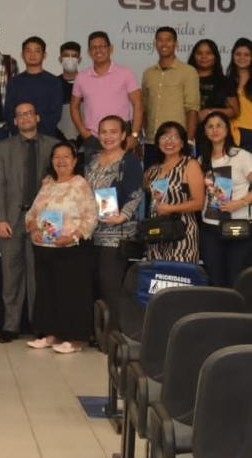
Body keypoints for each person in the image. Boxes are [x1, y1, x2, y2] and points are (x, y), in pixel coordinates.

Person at [0, 103, 58, 343]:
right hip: (11, 219)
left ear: (37, 117)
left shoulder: (53, 146)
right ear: (15, 121)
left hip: (44, 221)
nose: (25, 118)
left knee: (39, 276)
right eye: (20, 115)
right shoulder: (2, 148)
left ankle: (39, 325)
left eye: (29, 113)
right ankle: (10, 326)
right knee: (11, 276)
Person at [25, 142, 98, 354]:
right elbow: (32, 214)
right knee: (47, 293)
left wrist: (73, 236)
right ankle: (50, 335)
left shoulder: (80, 184)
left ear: (74, 161)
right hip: (44, 247)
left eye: (66, 156)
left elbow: (91, 217)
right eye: (57, 156)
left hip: (71, 248)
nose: (61, 160)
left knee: (71, 294)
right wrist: (33, 229)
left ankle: (74, 339)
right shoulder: (47, 184)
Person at [84, 116, 143, 330]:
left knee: (111, 285)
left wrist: (122, 216)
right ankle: (95, 332)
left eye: (113, 131)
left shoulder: (129, 161)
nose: (108, 136)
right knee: (93, 284)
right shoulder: (91, 159)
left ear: (123, 134)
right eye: (104, 132)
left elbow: (136, 193)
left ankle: (113, 335)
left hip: (116, 233)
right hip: (91, 231)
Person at [198, 111, 252, 287]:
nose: (215, 130)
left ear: (227, 129)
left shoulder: (241, 156)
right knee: (215, 278)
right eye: (210, 126)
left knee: (236, 277)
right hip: (210, 228)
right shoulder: (202, 160)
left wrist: (240, 203)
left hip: (238, 225)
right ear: (205, 131)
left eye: (219, 125)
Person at [71, 31, 143, 160]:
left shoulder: (125, 73)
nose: (98, 50)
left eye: (102, 46)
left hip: (121, 138)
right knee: (94, 173)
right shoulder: (81, 77)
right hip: (93, 139)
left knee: (123, 172)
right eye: (94, 47)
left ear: (110, 48)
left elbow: (138, 104)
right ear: (89, 52)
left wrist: (134, 135)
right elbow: (74, 106)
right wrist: (83, 132)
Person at [143, 121, 204, 262]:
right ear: (157, 142)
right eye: (164, 137)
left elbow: (199, 203)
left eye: (175, 137)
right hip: (156, 234)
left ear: (182, 143)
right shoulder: (152, 170)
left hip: (182, 233)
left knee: (179, 274)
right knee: (157, 274)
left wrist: (170, 208)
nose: (169, 141)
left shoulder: (190, 164)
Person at [141, 27, 200, 167]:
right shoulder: (148, 73)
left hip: (177, 142)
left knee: (177, 180)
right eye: (160, 40)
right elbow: (144, 108)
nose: (164, 44)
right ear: (155, 44)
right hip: (152, 142)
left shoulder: (188, 72)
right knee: (150, 179)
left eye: (168, 40)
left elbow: (192, 109)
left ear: (176, 43)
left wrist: (188, 141)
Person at [5, 36, 61, 137]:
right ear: (22, 55)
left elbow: (55, 114)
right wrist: (23, 133)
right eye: (28, 51)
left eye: (37, 51)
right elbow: (9, 113)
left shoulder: (54, 82)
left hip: (46, 137)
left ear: (44, 55)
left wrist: (36, 134)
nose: (32, 55)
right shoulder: (14, 82)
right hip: (19, 138)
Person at [188, 39, 239, 123]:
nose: (204, 56)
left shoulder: (224, 82)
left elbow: (235, 111)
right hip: (184, 127)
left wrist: (211, 112)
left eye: (208, 53)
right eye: (199, 53)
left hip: (214, 128)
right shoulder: (185, 78)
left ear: (215, 57)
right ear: (194, 56)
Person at [227, 37, 252, 151]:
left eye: (247, 55)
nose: (242, 58)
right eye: (238, 54)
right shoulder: (226, 81)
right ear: (233, 56)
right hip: (230, 134)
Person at [57, 41, 81, 142]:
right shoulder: (54, 84)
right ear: (60, 59)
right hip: (59, 141)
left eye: (74, 56)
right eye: (66, 55)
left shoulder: (88, 83)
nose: (70, 59)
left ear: (79, 59)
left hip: (86, 141)